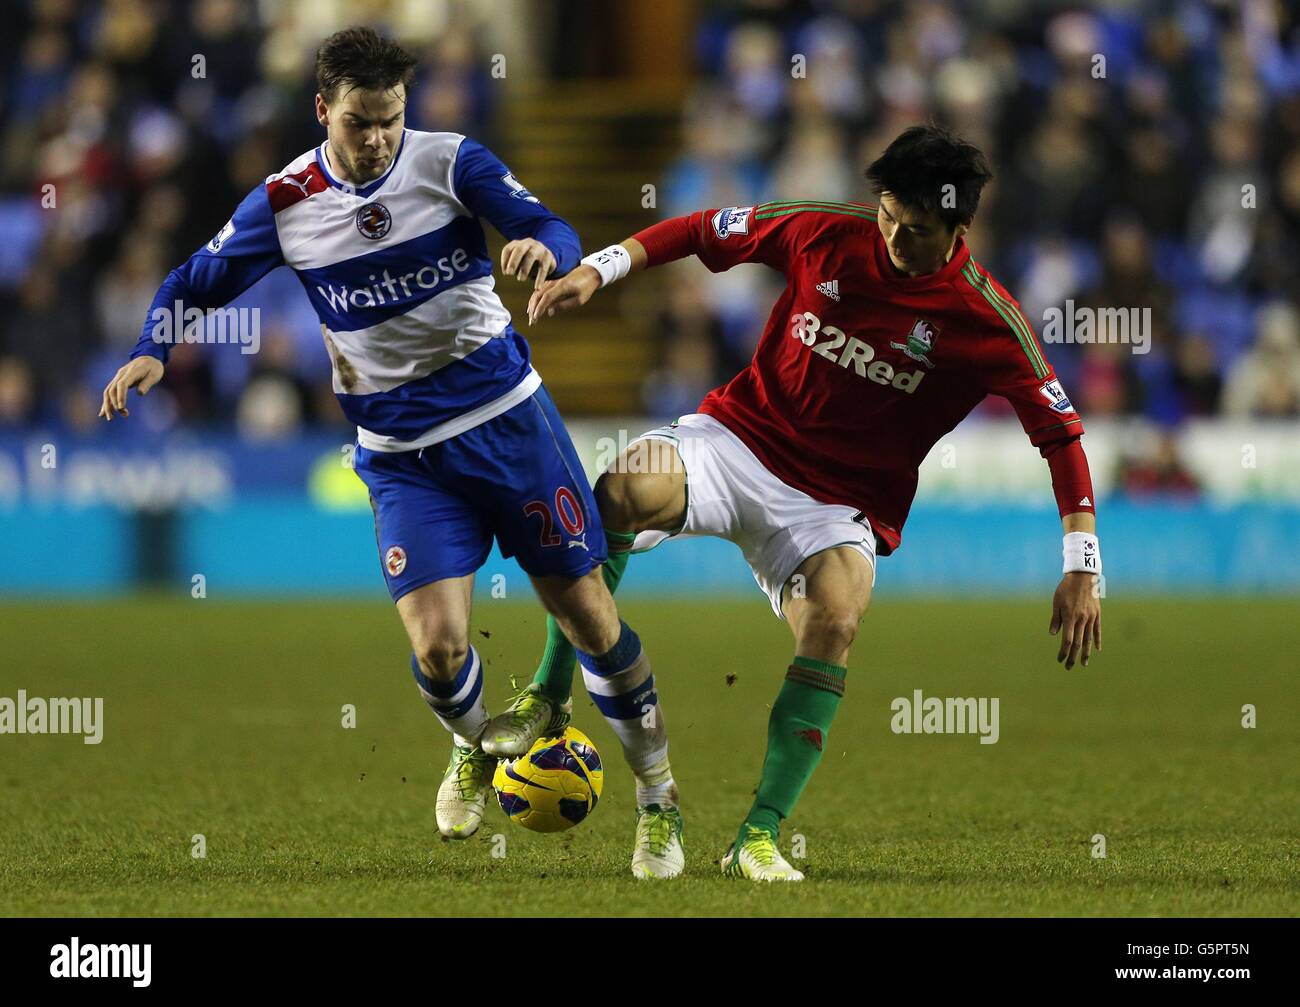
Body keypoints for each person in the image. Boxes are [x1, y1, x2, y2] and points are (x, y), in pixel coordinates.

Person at [98, 26, 670, 876]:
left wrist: (539, 249)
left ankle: (659, 799)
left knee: (587, 614)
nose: (376, 141)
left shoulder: (450, 161)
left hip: (507, 421)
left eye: (391, 121)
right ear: (323, 109)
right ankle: (477, 744)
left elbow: (550, 223)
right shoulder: (286, 201)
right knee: (437, 647)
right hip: (401, 452)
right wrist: (154, 343)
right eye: (360, 123)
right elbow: (195, 280)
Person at [494, 124, 1104, 881]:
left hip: (835, 504)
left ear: (959, 229)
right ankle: (549, 694)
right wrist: (600, 268)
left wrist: (1083, 566)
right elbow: (699, 229)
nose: (891, 236)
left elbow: (1061, 436)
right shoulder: (825, 232)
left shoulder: (988, 321)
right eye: (885, 213)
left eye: (913, 229)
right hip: (737, 439)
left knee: (837, 618)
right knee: (618, 489)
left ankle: (756, 834)